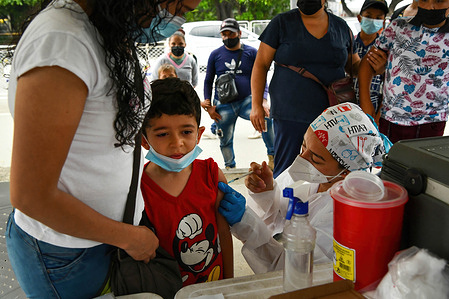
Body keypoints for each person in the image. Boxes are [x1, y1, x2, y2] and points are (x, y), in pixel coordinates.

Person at [5, 0, 201, 297]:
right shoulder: (63, 42)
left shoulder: (107, 31)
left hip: (104, 241)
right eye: (182, 7)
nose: (182, 17)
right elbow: (31, 195)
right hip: (68, 253)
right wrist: (130, 237)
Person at [217, 103, 392, 273]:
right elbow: (279, 217)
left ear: (347, 172)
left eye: (316, 158)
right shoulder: (314, 174)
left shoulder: (343, 216)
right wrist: (266, 192)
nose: (302, 159)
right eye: (304, 145)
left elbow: (290, 270)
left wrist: (245, 223)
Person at [250, 0, 362, 179]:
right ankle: (283, 206)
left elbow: (354, 67)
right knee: (287, 171)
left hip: (332, 117)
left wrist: (374, 65)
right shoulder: (281, 23)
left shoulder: (341, 27)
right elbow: (261, 64)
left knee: (328, 172)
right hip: (290, 115)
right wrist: (256, 104)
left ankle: (320, 207)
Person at [140, 78, 233, 286]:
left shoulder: (211, 174)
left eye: (186, 132)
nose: (177, 143)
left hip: (212, 286)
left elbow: (223, 235)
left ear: (199, 134)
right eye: (163, 134)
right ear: (144, 140)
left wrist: (229, 284)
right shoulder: (138, 188)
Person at [358, 0, 449, 144]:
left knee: (423, 165)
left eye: (439, 0)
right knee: (389, 163)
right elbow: (367, 64)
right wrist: (366, 104)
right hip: (390, 118)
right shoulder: (398, 26)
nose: (431, 6)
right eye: (425, 0)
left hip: (432, 121)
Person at [203, 18, 275, 170]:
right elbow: (208, 80)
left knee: (266, 119)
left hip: (247, 101)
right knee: (225, 140)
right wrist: (209, 104)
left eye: (231, 33)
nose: (228, 37)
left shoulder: (251, 52)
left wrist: (263, 100)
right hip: (224, 104)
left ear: (239, 33)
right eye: (224, 34)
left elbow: (261, 76)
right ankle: (230, 167)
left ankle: (273, 158)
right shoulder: (215, 55)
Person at [353, 0, 389, 114]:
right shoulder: (349, 44)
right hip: (347, 105)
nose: (373, 21)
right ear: (359, 18)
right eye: (368, 16)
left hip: (373, 107)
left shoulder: (385, 50)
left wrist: (378, 115)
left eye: (378, 18)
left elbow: (388, 86)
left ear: (383, 22)